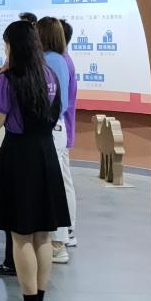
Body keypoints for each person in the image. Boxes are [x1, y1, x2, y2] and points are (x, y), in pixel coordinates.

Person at [0, 21, 69, 301]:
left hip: (19, 156)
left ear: (13, 46)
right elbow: (57, 111)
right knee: (43, 235)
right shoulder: (50, 75)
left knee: (20, 235)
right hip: (45, 153)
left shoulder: (9, 79)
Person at [39, 17, 76, 263]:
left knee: (57, 184)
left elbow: (56, 101)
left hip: (51, 128)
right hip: (54, 127)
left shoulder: (53, 60)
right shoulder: (57, 59)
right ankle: (60, 237)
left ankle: (58, 242)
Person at [60, 18, 80, 249]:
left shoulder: (62, 62)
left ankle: (69, 229)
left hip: (61, 129)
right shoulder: (62, 60)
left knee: (64, 181)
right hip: (62, 129)